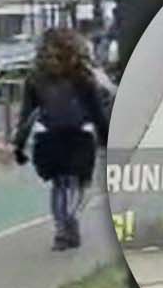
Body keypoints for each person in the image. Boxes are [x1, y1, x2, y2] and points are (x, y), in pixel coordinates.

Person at [12, 27, 111, 250]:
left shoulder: (38, 78)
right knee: (75, 182)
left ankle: (63, 228)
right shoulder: (82, 76)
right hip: (76, 135)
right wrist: (106, 139)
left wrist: (19, 144)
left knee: (60, 184)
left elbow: (27, 115)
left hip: (51, 136)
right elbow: (96, 111)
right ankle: (67, 222)